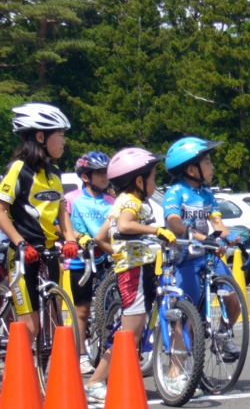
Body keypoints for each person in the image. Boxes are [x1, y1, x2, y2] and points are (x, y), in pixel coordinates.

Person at [85, 147, 176, 404]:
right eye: (153, 178)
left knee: (131, 331)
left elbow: (101, 237)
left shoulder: (121, 200)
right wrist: (156, 230)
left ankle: (114, 378)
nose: (155, 183)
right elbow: (125, 225)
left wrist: (119, 253)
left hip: (136, 268)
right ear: (139, 180)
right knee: (129, 334)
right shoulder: (131, 202)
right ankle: (94, 383)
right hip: (134, 272)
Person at [0, 103, 79, 346]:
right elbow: (1, 211)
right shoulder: (18, 169)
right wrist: (20, 243)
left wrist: (71, 240)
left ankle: (49, 377)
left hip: (47, 253)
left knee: (56, 322)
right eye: (61, 134)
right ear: (41, 136)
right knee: (31, 326)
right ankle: (15, 379)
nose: (64, 141)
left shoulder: (54, 174)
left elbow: (61, 213)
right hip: (23, 254)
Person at [163, 136, 241, 364]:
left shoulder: (207, 194)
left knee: (233, 297)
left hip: (206, 254)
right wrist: (199, 236)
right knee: (187, 314)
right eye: (207, 162)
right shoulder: (176, 192)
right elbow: (174, 223)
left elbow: (217, 223)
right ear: (191, 168)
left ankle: (223, 335)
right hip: (185, 258)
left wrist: (231, 236)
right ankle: (178, 368)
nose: (212, 166)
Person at [65, 151, 115, 374]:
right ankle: (80, 354)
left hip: (106, 258)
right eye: (100, 173)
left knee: (112, 307)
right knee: (82, 311)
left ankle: (109, 351)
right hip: (81, 260)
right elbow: (61, 225)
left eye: (107, 172)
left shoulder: (112, 201)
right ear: (86, 176)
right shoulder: (71, 199)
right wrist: (77, 236)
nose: (105, 177)